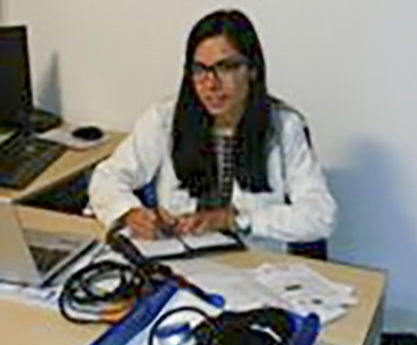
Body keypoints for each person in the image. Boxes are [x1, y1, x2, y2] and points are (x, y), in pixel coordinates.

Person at [88, 9, 337, 254]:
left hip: (257, 265)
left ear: (252, 69)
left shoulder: (284, 127)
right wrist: (130, 213)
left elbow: (320, 216)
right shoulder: (164, 119)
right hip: (181, 261)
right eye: (200, 70)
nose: (211, 84)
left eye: (225, 67)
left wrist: (236, 219)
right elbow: (107, 177)